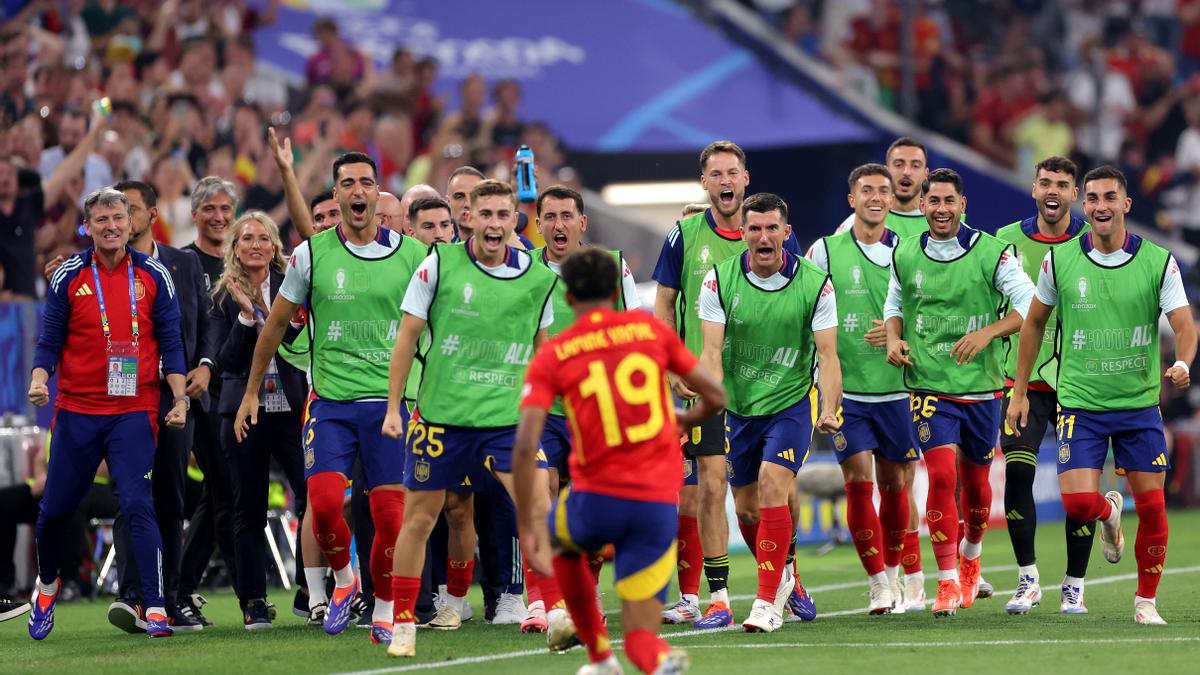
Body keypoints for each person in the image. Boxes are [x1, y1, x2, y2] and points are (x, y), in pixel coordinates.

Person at [234, 152, 427, 644]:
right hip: (330, 404)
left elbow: (435, 328)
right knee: (322, 506)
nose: (357, 191)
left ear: (378, 193)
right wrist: (251, 391)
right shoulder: (310, 255)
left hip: (389, 407)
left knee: (388, 516)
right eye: (347, 184)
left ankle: (383, 610)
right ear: (336, 194)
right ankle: (344, 581)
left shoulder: (412, 256)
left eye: (366, 182)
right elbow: (275, 326)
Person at [514, 247, 726, 674]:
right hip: (655, 504)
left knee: (557, 536)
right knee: (642, 638)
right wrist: (680, 418)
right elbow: (716, 397)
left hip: (596, 500)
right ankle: (654, 658)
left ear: (568, 299)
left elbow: (523, 447)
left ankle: (598, 655)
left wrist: (527, 524)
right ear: (616, 290)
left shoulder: (555, 354)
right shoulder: (650, 332)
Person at [1007, 166, 1195, 625]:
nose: (1100, 206)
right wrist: (1018, 390)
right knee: (1077, 507)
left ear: (1126, 204)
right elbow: (1032, 323)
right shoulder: (1061, 261)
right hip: (1081, 405)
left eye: (1110, 197)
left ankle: (1145, 602)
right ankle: (1109, 511)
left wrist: (1184, 362)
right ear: (1083, 204)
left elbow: (1185, 323)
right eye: (1091, 198)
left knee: (1152, 506)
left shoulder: (1158, 261)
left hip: (1137, 405)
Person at [381, 179, 560, 657]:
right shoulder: (437, 265)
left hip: (506, 422)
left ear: (513, 221)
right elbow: (406, 338)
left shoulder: (539, 279)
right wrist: (395, 406)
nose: (495, 224)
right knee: (419, 520)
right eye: (487, 215)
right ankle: (403, 623)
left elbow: (543, 355)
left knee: (538, 506)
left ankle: (557, 611)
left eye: (504, 215)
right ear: (471, 219)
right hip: (441, 419)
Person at [652, 140, 803, 627]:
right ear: (704, 183)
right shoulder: (685, 234)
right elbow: (664, 304)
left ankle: (788, 572)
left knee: (774, 489)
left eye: (732, 173)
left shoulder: (774, 234)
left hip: (773, 387)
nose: (724, 181)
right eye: (715, 174)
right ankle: (717, 598)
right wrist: (673, 367)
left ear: (745, 179)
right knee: (709, 489)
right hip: (708, 383)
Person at [28, 187, 188, 639]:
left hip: (133, 410)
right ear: (87, 226)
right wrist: (40, 378)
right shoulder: (68, 277)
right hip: (77, 409)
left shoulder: (156, 275)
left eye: (119, 217)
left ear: (132, 222)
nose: (112, 226)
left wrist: (178, 399)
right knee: (55, 511)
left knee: (139, 503)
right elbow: (49, 341)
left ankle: (155, 607)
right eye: (102, 220)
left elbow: (172, 343)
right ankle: (46, 586)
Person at [884, 168, 1036, 617]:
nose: (941, 209)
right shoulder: (905, 253)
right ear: (923, 205)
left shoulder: (993, 253)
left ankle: (971, 555)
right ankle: (947, 581)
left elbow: (1029, 307)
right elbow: (894, 305)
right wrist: (894, 339)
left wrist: (989, 332)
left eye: (949, 201)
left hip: (982, 388)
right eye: (934, 202)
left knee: (975, 486)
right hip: (929, 384)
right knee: (942, 478)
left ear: (963, 205)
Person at [699, 192, 841, 632]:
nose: (764, 236)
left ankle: (765, 605)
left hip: (790, 405)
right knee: (744, 510)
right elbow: (710, 351)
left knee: (771, 483)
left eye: (772, 228)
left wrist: (830, 408)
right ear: (743, 234)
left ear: (786, 233)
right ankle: (786, 576)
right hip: (739, 409)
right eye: (755, 228)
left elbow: (829, 356)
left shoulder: (816, 283)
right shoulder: (718, 281)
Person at [519, 184, 641, 631]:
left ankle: (582, 595)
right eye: (548, 217)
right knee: (540, 493)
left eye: (566, 216)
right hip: (544, 409)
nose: (557, 225)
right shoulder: (522, 268)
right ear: (538, 224)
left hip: (597, 411)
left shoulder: (612, 267)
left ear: (582, 222)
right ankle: (540, 600)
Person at [808, 164, 921, 614]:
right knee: (857, 481)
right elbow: (807, 310)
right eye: (866, 190)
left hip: (898, 390)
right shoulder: (825, 251)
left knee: (895, 486)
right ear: (851, 199)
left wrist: (900, 334)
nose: (875, 197)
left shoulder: (910, 251)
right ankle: (878, 584)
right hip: (847, 391)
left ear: (893, 201)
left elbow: (929, 316)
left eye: (883, 191)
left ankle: (895, 575)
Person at [993, 157, 1093, 615]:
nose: (1053, 191)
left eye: (1063, 185)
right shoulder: (1004, 243)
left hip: (1079, 382)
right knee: (1017, 472)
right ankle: (1027, 578)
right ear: (1033, 189)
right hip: (1024, 380)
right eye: (1046, 183)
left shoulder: (1093, 243)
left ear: (1075, 195)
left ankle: (1074, 583)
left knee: (1079, 492)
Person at [212, 211, 310, 629]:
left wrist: (263, 308)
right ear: (234, 247)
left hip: (291, 411)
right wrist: (245, 317)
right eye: (247, 238)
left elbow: (294, 342)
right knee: (246, 508)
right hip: (243, 415)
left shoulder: (296, 287)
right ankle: (253, 600)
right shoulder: (219, 297)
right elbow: (224, 362)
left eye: (263, 238)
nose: (255, 244)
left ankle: (312, 591)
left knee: (312, 498)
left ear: (275, 247)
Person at [176, 175, 241, 627]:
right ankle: (186, 591)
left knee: (222, 494)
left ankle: (180, 589)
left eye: (225, 210)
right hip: (199, 392)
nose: (218, 217)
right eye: (210, 209)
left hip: (240, 391)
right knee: (224, 492)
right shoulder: (181, 263)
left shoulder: (245, 258)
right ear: (195, 214)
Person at [835, 137, 931, 238]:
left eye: (915, 166)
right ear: (887, 171)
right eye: (899, 165)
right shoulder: (858, 224)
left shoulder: (939, 225)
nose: (906, 172)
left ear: (926, 174)